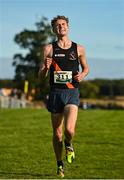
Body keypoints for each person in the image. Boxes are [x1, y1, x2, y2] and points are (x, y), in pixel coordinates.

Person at [38, 15, 89, 178]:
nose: (61, 27)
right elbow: (40, 76)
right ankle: (59, 164)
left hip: (72, 93)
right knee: (57, 133)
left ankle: (69, 144)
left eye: (63, 24)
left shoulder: (79, 48)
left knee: (69, 130)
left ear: (68, 27)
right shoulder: (48, 49)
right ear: (54, 30)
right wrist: (45, 68)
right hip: (55, 94)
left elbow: (86, 68)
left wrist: (82, 75)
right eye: (57, 25)